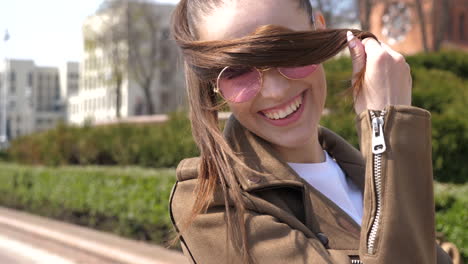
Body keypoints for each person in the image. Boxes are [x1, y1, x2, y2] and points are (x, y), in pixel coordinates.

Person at [168, 0, 454, 263]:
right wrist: (388, 131)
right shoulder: (214, 203)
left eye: (288, 50)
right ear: (212, 81)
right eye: (236, 72)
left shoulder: (363, 171)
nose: (274, 91)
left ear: (318, 29)